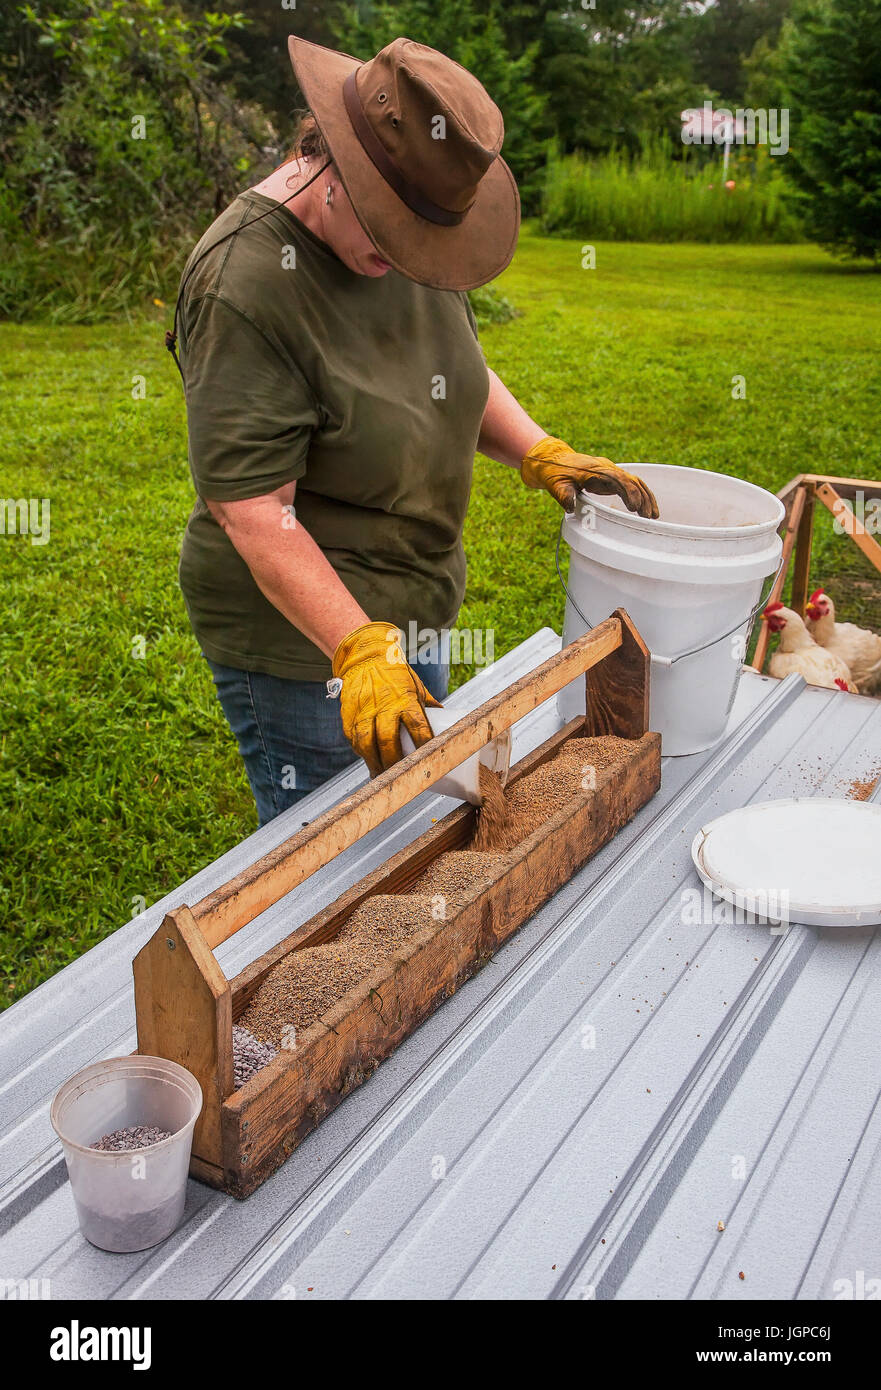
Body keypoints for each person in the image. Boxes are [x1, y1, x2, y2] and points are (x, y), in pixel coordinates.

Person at [175, 35, 658, 826]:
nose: (405, 260)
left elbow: (453, 365)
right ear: (331, 157)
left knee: (417, 817)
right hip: (309, 641)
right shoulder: (245, 285)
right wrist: (357, 648)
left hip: (415, 596)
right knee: (338, 854)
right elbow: (254, 510)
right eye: (388, 231)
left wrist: (538, 449)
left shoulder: (406, 233)